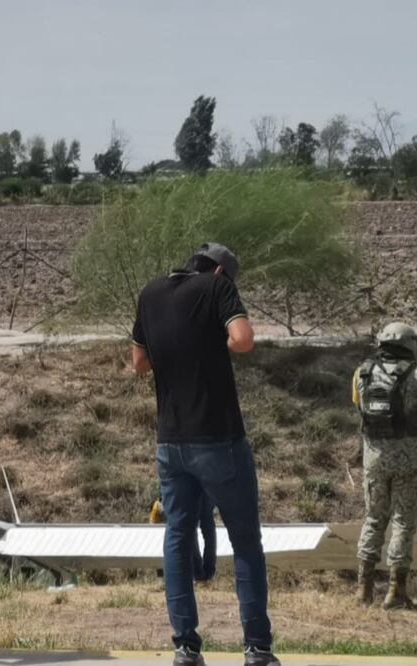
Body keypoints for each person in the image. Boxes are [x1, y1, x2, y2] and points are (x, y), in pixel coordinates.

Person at [131, 243, 279, 666]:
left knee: (176, 539)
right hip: (219, 440)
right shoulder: (217, 290)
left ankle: (186, 647)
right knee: (246, 540)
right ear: (221, 273)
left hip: (169, 442)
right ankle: (257, 648)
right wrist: (220, 337)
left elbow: (139, 361)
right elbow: (243, 340)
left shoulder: (151, 292)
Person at [353, 322, 417, 608]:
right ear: (411, 345)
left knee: (373, 518)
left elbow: (359, 406)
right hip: (410, 462)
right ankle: (396, 593)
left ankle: (364, 590)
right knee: (404, 523)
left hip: (374, 460)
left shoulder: (363, 372)